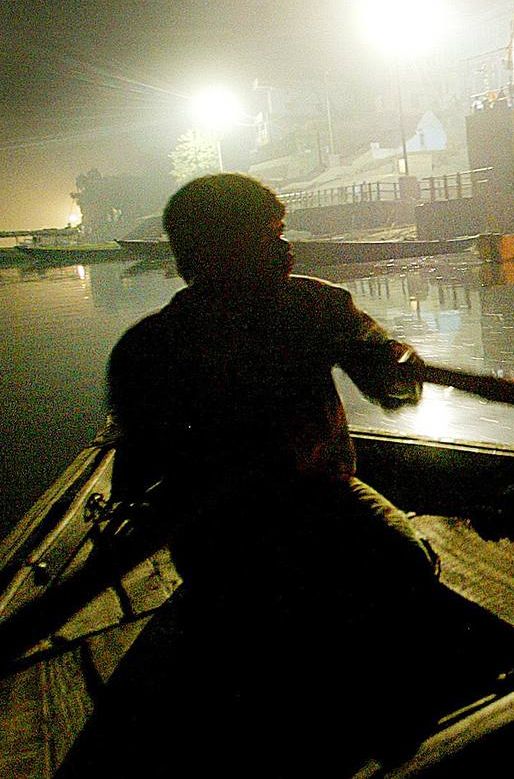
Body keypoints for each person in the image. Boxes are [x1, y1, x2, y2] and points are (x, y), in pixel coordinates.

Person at [103, 172, 453, 768]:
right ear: (208, 252)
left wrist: (396, 363)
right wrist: (139, 507)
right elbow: (137, 463)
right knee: (258, 621)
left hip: (324, 494)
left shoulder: (316, 306)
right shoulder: (151, 349)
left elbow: (389, 385)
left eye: (281, 234)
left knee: (406, 564)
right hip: (221, 528)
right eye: (269, 237)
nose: (286, 249)